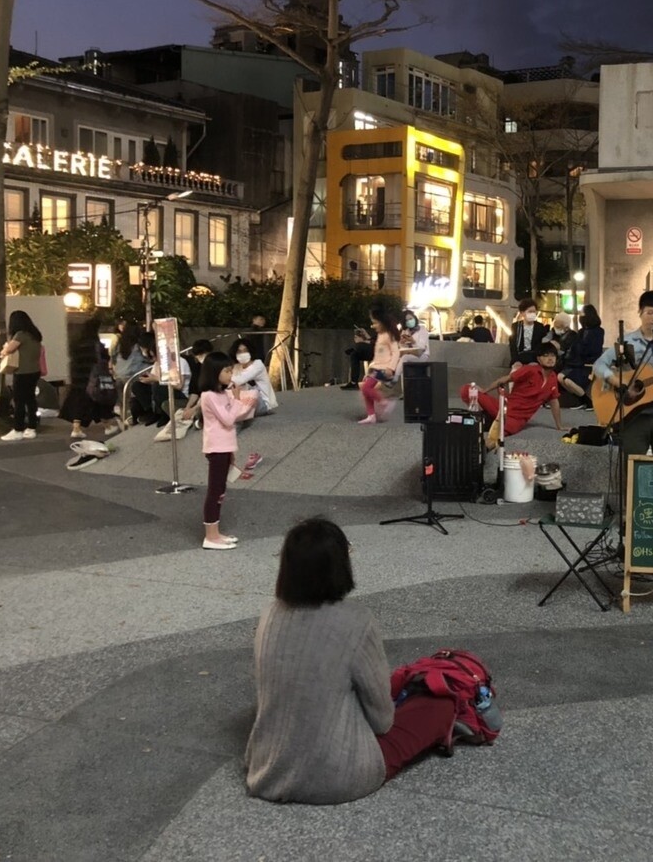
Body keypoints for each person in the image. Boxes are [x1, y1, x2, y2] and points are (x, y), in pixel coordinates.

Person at [245, 517, 457, 803]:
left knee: (384, 684)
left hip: (267, 767)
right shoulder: (357, 621)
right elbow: (382, 722)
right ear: (339, 566)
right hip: (340, 776)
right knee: (440, 705)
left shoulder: (270, 614)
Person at [592, 290, 653, 458]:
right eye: (650, 313)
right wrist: (617, 381)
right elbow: (599, 365)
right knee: (630, 465)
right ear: (640, 312)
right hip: (632, 415)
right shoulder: (627, 342)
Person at [197, 353, 258, 549]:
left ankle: (215, 533)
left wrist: (235, 400)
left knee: (220, 491)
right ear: (214, 372)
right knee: (215, 491)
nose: (230, 374)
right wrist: (239, 400)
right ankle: (210, 536)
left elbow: (233, 415)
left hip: (225, 446)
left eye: (230, 370)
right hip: (216, 447)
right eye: (226, 370)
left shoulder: (222, 394)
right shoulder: (209, 396)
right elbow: (228, 419)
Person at [460, 342, 573, 447]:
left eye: (553, 356)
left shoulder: (553, 378)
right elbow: (504, 380)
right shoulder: (530, 370)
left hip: (517, 419)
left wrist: (559, 426)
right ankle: (480, 416)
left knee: (500, 433)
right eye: (546, 356)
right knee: (467, 389)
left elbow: (554, 402)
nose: (550, 359)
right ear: (539, 359)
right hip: (503, 407)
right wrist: (485, 390)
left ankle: (485, 428)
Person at [0, 309, 44, 441]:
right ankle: (31, 427)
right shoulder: (35, 335)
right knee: (30, 400)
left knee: (19, 400)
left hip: (23, 372)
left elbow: (9, 349)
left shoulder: (20, 334)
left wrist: (4, 349)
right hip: (35, 371)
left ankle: (18, 429)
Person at [358, 309, 401, 424]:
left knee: (366, 387)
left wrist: (391, 368)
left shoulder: (388, 335)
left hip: (384, 369)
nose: (373, 326)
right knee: (365, 389)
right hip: (377, 367)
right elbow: (378, 356)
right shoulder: (380, 335)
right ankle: (371, 415)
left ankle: (383, 402)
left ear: (382, 322)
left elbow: (396, 352)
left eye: (375, 322)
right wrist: (370, 369)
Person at [561, 303, 604, 399]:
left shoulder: (598, 331)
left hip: (587, 364)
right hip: (577, 362)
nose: (580, 316)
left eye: (582, 314)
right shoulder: (581, 331)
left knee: (568, 380)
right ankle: (576, 398)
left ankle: (585, 400)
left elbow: (592, 350)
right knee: (560, 377)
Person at [229, 337, 278, 416]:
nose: (242, 354)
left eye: (245, 351)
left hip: (263, 403)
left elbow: (237, 381)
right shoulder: (237, 367)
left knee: (239, 386)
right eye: (239, 351)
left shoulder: (258, 364)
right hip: (247, 399)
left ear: (250, 352)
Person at [508, 298, 547, 367]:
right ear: (522, 313)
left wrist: (536, 361)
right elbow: (513, 346)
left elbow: (541, 347)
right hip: (520, 358)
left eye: (534, 312)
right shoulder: (516, 326)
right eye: (530, 312)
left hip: (534, 358)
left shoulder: (540, 327)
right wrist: (516, 361)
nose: (532, 314)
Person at [343, 313, 378, 389]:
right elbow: (373, 340)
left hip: (381, 352)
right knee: (354, 355)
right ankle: (353, 382)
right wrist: (365, 334)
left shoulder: (387, 330)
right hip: (374, 350)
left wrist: (363, 342)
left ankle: (355, 348)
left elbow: (379, 343)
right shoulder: (380, 331)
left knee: (359, 346)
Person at [395, 309, 430, 381]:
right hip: (409, 354)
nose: (409, 321)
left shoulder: (422, 329)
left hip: (422, 356)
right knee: (398, 358)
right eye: (407, 320)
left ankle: (395, 378)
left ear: (414, 318)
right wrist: (401, 343)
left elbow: (422, 347)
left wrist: (413, 341)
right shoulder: (405, 331)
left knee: (405, 358)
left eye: (411, 318)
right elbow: (402, 348)